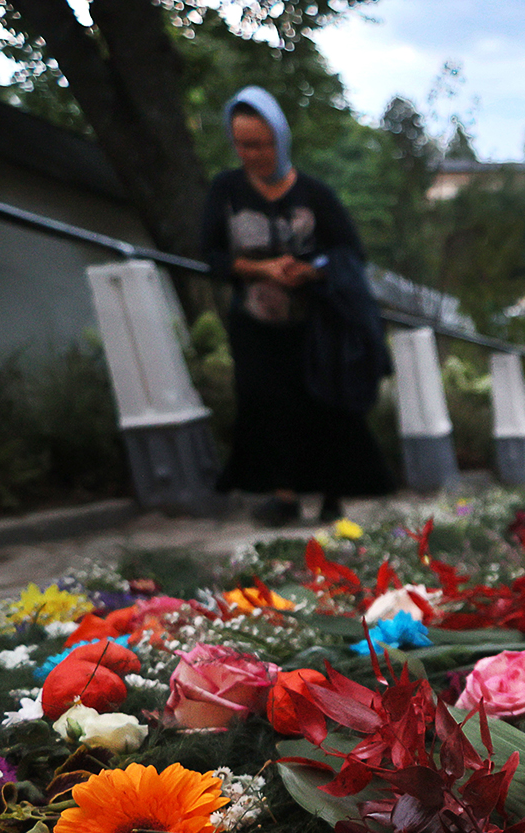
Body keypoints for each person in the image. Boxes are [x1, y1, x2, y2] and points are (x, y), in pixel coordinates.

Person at [200, 86, 393, 525]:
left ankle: (331, 494)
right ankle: (283, 496)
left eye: (263, 144)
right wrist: (260, 269)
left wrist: (312, 271)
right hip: (255, 323)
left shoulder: (315, 194)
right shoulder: (226, 191)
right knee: (267, 406)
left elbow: (348, 251)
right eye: (245, 144)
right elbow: (211, 256)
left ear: (280, 140)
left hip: (314, 325)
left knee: (322, 406)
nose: (255, 154)